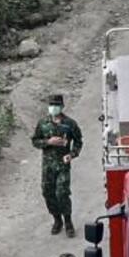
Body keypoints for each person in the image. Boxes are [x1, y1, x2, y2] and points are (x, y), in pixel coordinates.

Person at [31, 93, 82, 237]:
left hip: (63, 164)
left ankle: (68, 221)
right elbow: (35, 141)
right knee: (48, 193)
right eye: (51, 105)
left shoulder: (70, 124)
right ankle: (57, 219)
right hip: (47, 166)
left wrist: (71, 154)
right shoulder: (42, 123)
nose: (54, 108)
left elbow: (78, 142)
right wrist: (48, 142)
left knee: (62, 193)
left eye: (56, 105)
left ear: (62, 106)